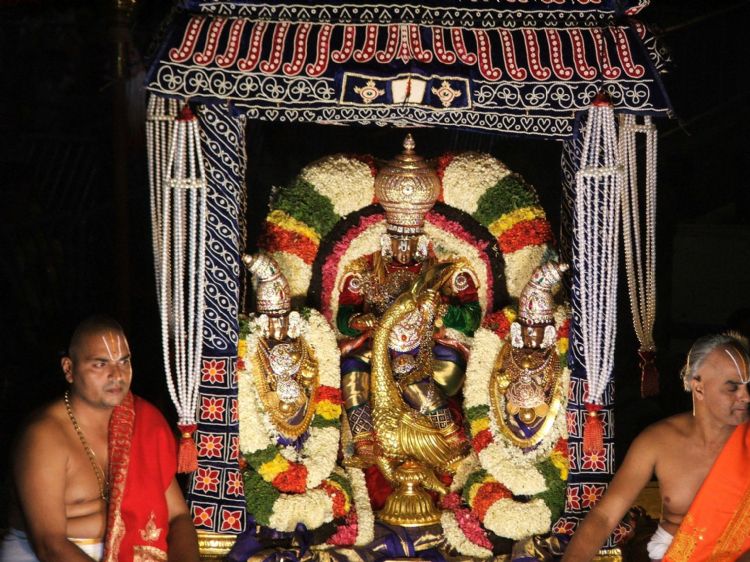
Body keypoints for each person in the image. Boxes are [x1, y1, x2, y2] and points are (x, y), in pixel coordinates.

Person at [0, 315, 200, 562]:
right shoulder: (44, 436)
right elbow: (49, 545)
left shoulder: (143, 422)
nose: (117, 375)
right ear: (69, 369)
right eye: (100, 364)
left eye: (124, 362)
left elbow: (178, 517)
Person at [336, 135, 480, 466]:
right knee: (353, 369)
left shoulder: (443, 266)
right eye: (397, 242)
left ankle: (453, 437)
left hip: (429, 349)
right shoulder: (367, 266)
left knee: (415, 381)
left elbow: (472, 317)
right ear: (386, 240)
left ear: (422, 240)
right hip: (378, 346)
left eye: (410, 242)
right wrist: (359, 321)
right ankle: (364, 441)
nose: (404, 250)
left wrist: (443, 310)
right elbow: (343, 314)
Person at [562, 332, 750, 562]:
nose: (746, 397)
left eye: (748, 386)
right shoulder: (658, 441)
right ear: (699, 387)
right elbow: (604, 517)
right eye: (733, 388)